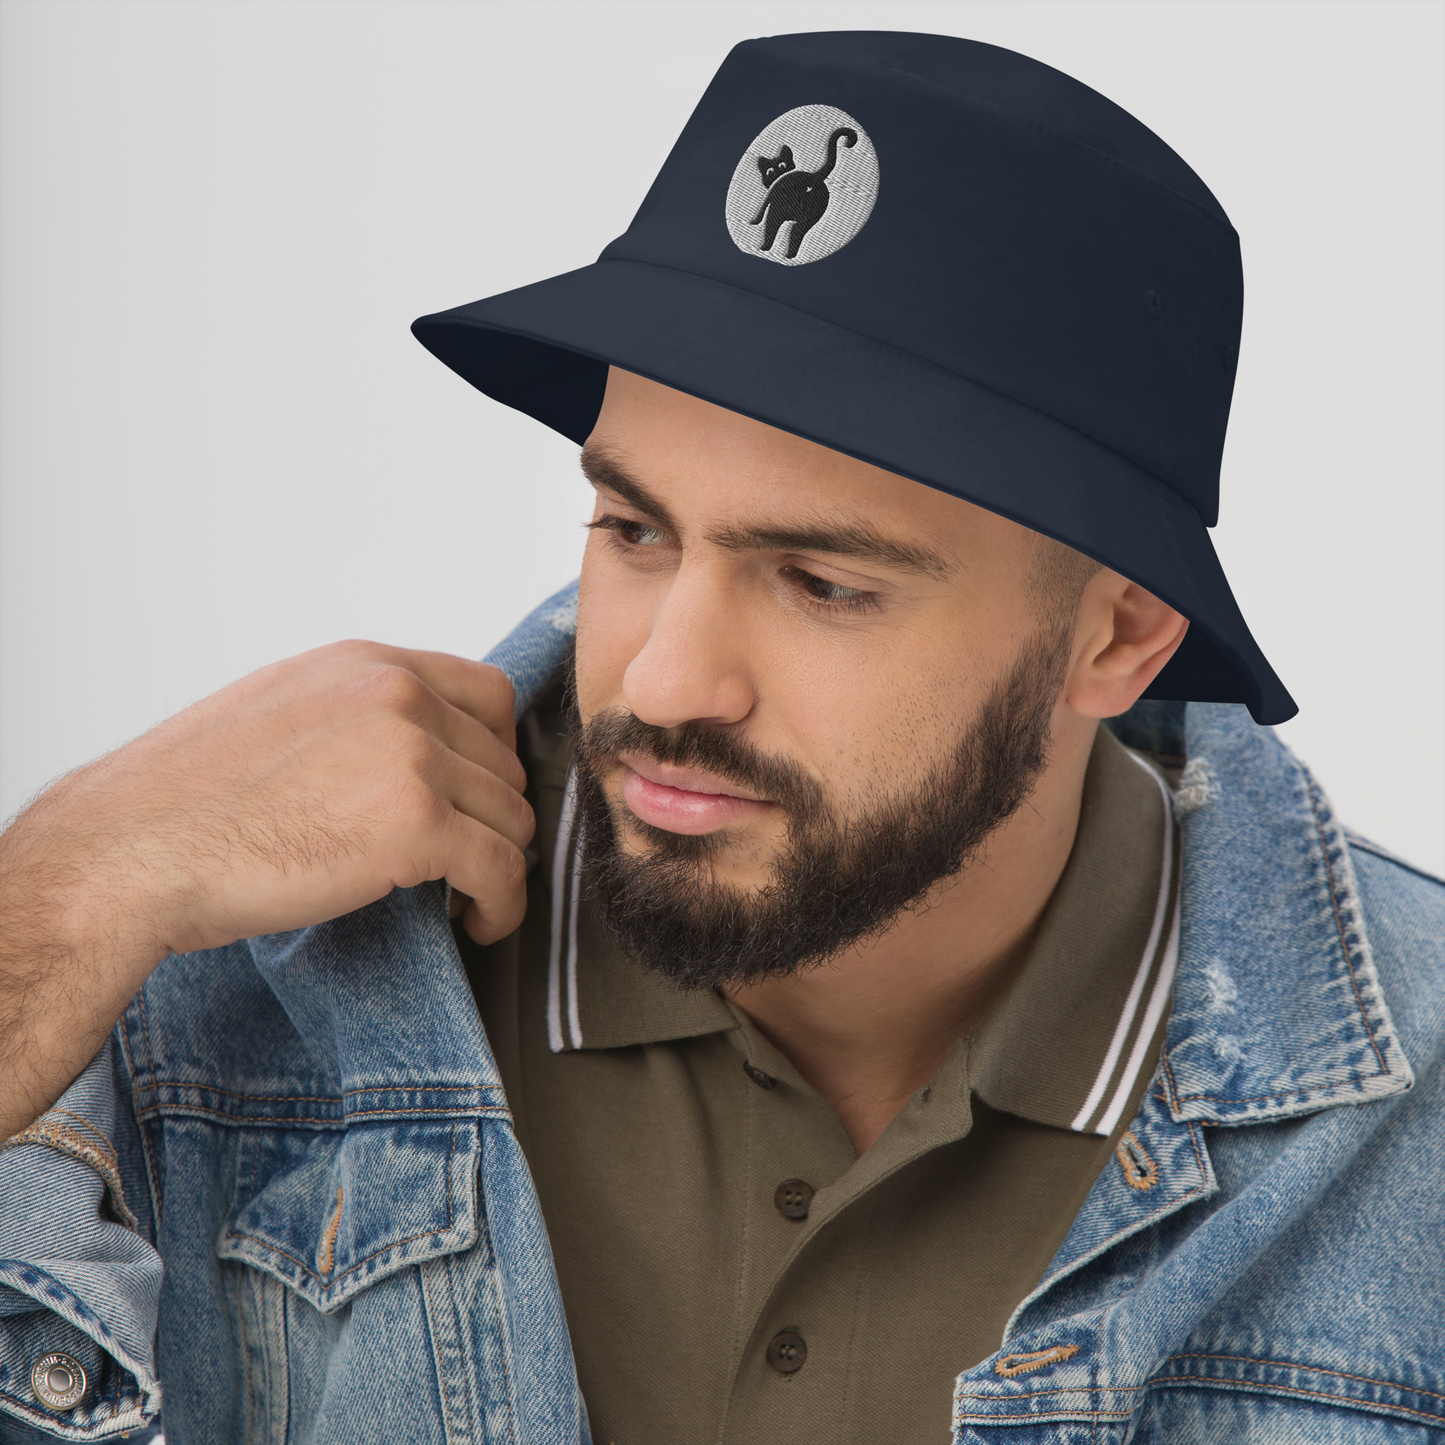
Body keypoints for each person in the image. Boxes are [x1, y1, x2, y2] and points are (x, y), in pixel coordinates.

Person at [1, 29, 1440, 1445]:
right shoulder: (219, 963)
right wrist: (64, 887)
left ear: (1117, 637)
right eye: (632, 527)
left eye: (823, 583)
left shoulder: (1408, 1121)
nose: (670, 680)